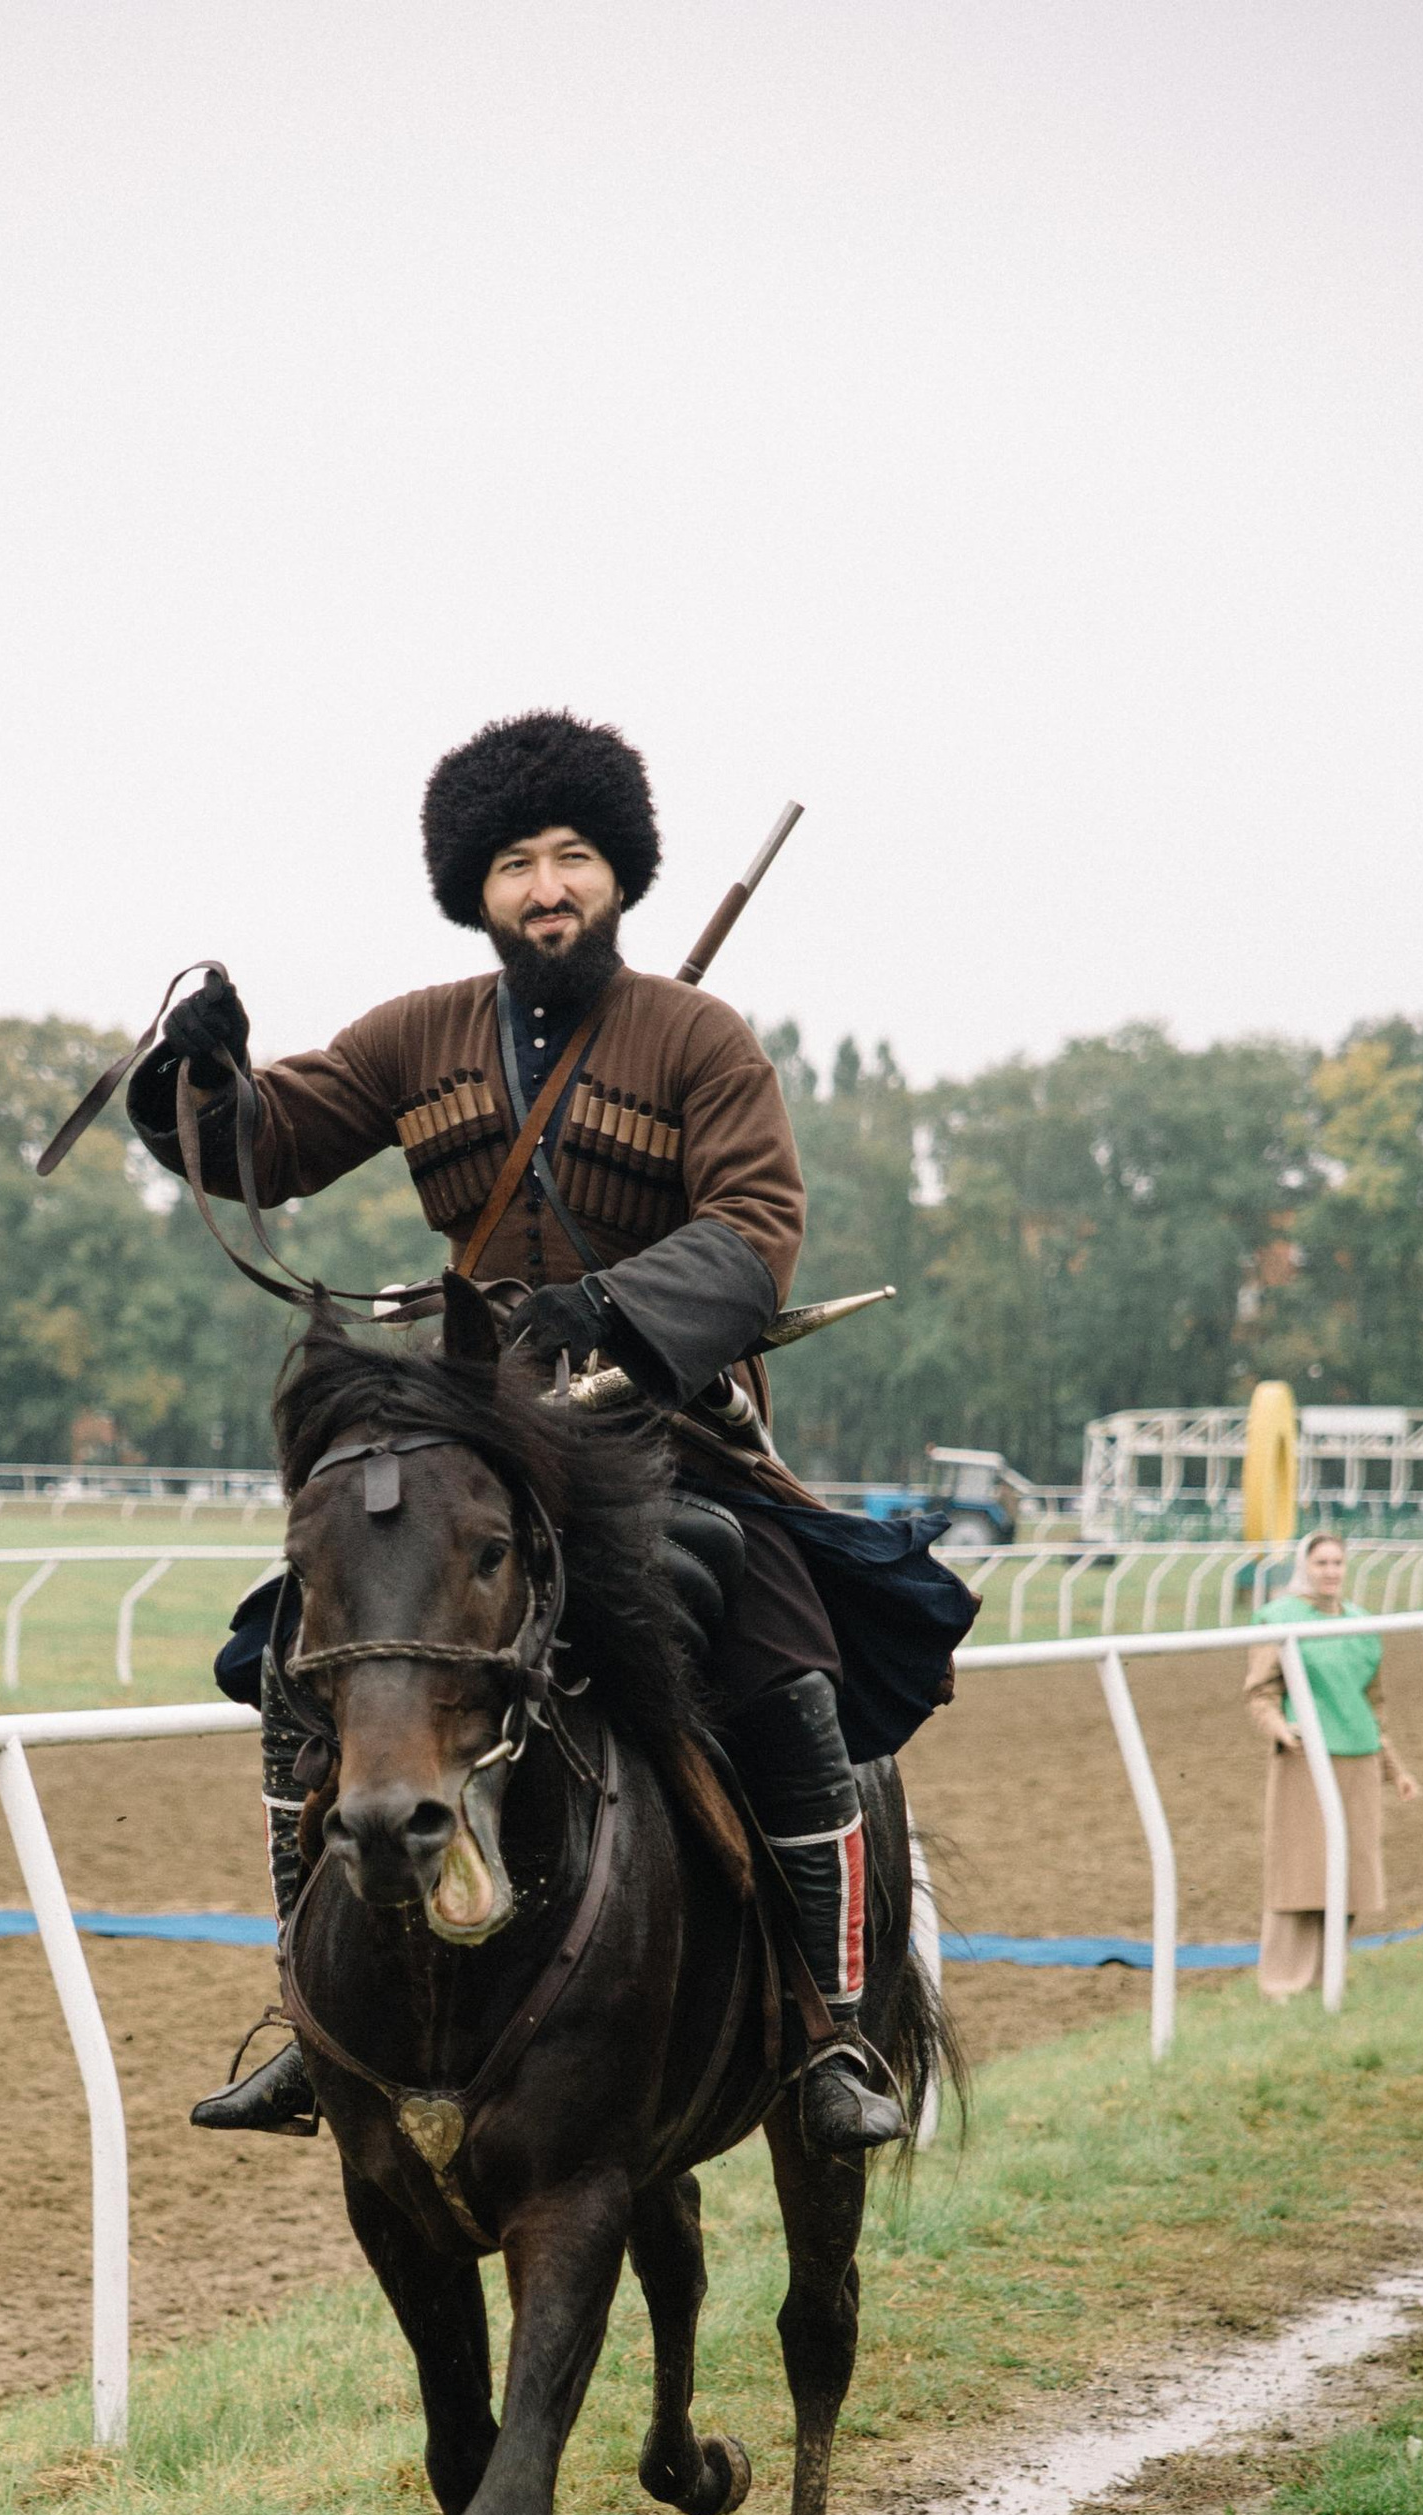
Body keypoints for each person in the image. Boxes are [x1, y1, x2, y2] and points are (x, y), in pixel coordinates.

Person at [132, 709, 962, 2156]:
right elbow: (269, 1146)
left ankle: (829, 2027)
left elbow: (756, 1231)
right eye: (516, 865)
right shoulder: (416, 1033)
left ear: (620, 873)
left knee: (785, 1675)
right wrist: (194, 1080)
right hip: (481, 1436)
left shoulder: (699, 1040)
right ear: (478, 890)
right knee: (292, 1654)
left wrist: (606, 1310)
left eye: (572, 857)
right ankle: (309, 2020)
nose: (547, 887)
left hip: (667, 1435)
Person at [1242, 1531, 1420, 2002]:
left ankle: (1330, 1973)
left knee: (1351, 1874)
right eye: (1321, 1563)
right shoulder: (1277, 1617)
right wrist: (1280, 1729)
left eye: (1337, 1562)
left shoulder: (1362, 1622)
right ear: (1305, 1566)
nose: (1330, 1571)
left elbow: (1372, 1703)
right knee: (1300, 1872)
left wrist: (1395, 1769)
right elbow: (1261, 1692)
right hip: (1306, 1758)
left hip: (1359, 1758)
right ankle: (1283, 1981)